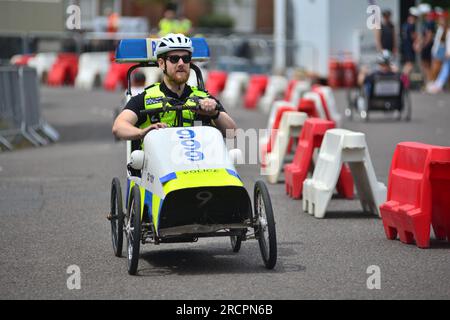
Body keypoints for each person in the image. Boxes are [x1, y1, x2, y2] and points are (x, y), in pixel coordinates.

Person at [112, 33, 237, 143]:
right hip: (156, 167)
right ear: (161, 63)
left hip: (198, 166)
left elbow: (233, 133)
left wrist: (215, 114)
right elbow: (118, 127)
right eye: (174, 59)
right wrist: (143, 132)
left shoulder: (204, 98)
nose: (181, 63)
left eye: (186, 58)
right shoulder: (145, 99)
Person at [427, 11, 450, 93]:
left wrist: (448, 51)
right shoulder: (440, 29)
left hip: (445, 52)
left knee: (444, 68)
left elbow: (448, 41)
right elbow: (436, 42)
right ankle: (433, 83)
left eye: (442, 19)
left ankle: (438, 84)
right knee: (436, 68)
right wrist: (433, 50)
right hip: (438, 51)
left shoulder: (447, 30)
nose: (440, 21)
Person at [401, 9, 419, 79]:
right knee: (409, 65)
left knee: (407, 64)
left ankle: (404, 81)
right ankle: (403, 81)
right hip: (409, 48)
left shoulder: (405, 25)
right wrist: (418, 39)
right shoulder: (411, 25)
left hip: (405, 47)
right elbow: (413, 37)